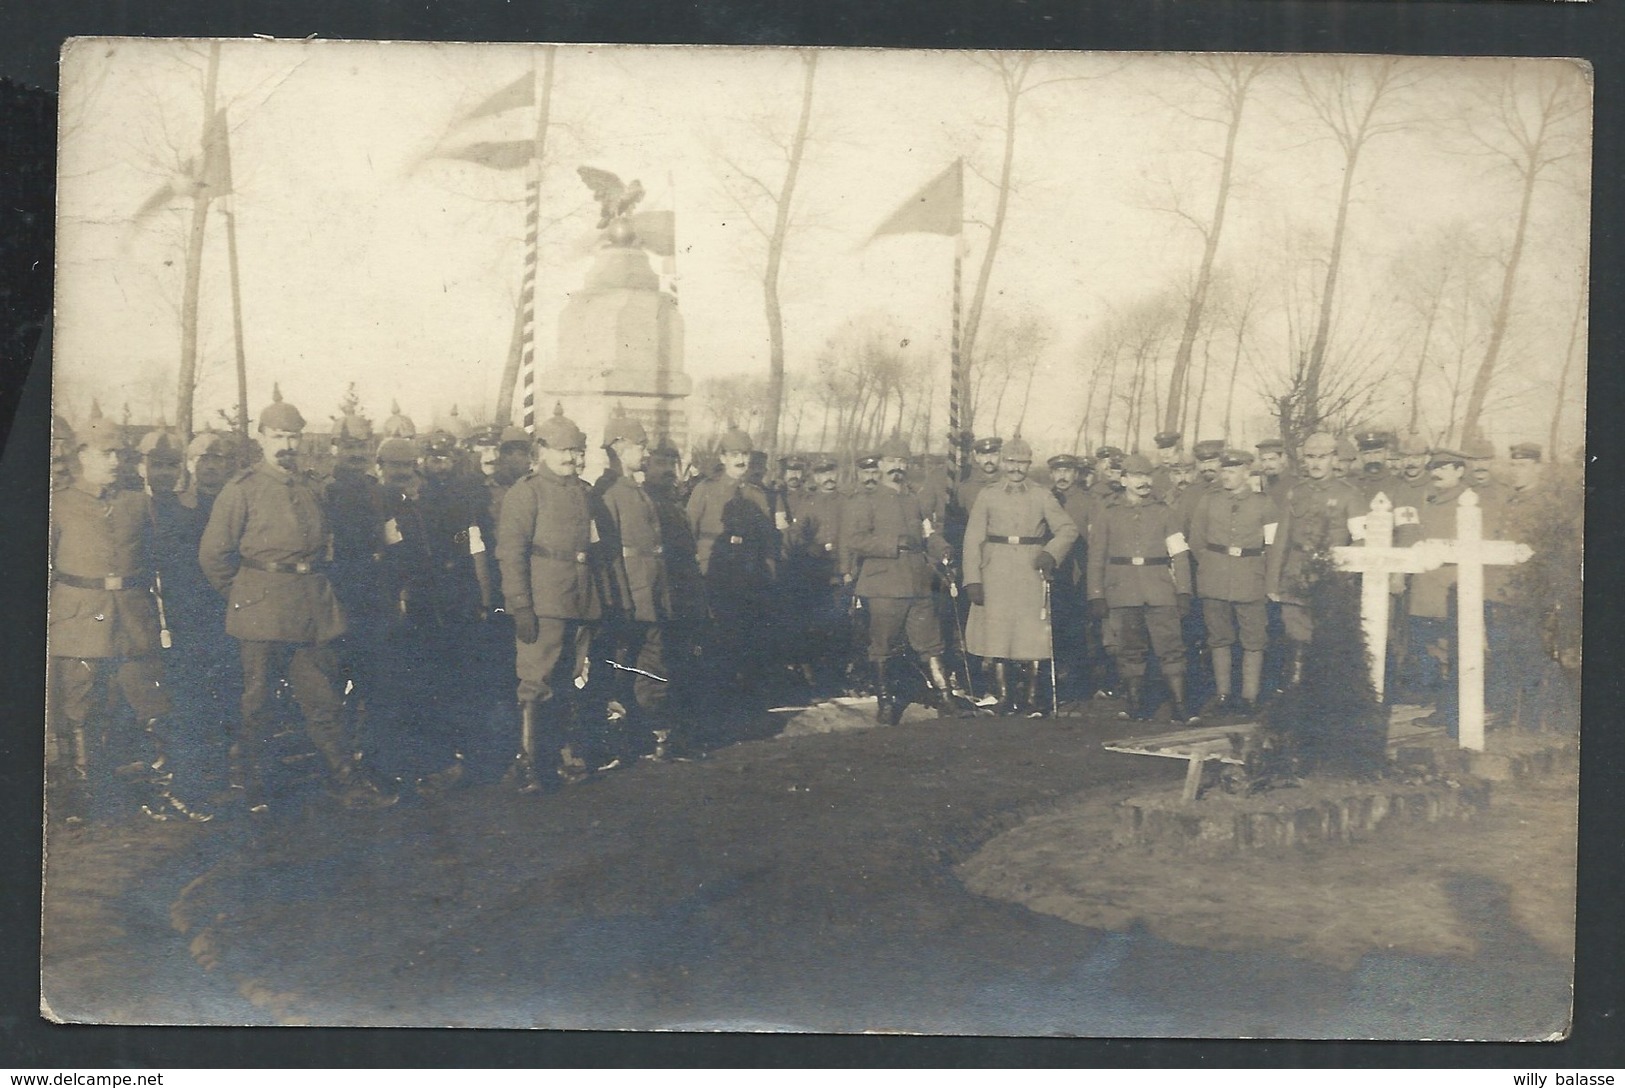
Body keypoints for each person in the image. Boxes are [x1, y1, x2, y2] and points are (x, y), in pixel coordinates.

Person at [198, 389, 396, 812]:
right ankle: (253, 785)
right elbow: (214, 555)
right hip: (261, 611)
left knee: (323, 698)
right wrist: (245, 596)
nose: (287, 446)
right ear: (262, 438)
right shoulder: (242, 490)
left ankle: (343, 780)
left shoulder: (309, 487)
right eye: (278, 437)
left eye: (293, 438)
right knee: (259, 702)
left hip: (311, 610)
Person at [49, 419, 209, 824]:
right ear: (82, 455)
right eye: (107, 453)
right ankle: (86, 798)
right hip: (78, 623)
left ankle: (161, 793)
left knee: (153, 705)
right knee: (81, 712)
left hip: (135, 622)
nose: (116, 461)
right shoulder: (58, 504)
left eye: (120, 453)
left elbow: (161, 563)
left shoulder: (139, 503)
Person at [496, 407, 606, 788]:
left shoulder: (583, 493)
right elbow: (511, 554)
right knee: (535, 681)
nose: (572, 458)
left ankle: (559, 755)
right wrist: (521, 605)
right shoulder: (526, 493)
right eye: (563, 451)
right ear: (541, 450)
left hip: (579, 598)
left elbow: (594, 549)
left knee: (570, 678)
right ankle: (529, 763)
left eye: (578, 451)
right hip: (544, 601)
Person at [843, 436, 960, 723]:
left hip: (918, 581)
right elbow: (855, 540)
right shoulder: (865, 501)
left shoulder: (914, 501)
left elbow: (927, 533)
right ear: (880, 465)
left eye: (902, 462)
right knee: (881, 646)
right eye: (891, 462)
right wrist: (894, 542)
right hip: (883, 583)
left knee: (930, 643)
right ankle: (885, 704)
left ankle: (945, 698)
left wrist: (942, 548)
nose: (897, 467)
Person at [962, 437, 1079, 716]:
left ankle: (1029, 698)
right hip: (995, 570)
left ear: (1029, 464)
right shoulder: (987, 495)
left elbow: (1068, 529)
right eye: (1010, 462)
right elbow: (972, 538)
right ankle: (1003, 696)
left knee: (1031, 634)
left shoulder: (1042, 495)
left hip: (1029, 569)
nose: (1015, 468)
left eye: (1022, 463)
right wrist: (972, 579)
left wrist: (1050, 553)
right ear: (1002, 463)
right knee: (998, 633)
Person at [1087, 453, 1194, 723]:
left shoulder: (1164, 512)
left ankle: (1180, 706)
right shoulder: (1107, 513)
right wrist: (1096, 594)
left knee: (1171, 646)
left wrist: (1183, 591)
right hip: (1122, 589)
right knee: (1129, 649)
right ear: (1123, 480)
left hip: (1159, 589)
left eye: (1147, 476)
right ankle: (1134, 706)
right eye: (1136, 476)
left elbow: (1179, 554)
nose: (1143, 482)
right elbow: (1096, 556)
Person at [595, 413, 671, 759]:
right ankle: (624, 736)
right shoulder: (608, 492)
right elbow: (608, 552)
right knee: (624, 664)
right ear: (619, 447)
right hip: (629, 593)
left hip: (650, 590)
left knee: (650, 661)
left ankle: (650, 733)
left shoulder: (637, 489)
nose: (645, 452)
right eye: (640, 445)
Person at [1265, 431, 1367, 688]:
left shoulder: (1349, 495)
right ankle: (1298, 690)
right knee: (1295, 637)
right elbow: (1282, 539)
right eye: (1310, 457)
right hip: (1295, 573)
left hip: (1331, 576)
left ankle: (1324, 695)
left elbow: (1360, 540)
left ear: (1334, 458)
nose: (1316, 463)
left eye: (1322, 457)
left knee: (1327, 639)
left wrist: (1343, 577)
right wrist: (1272, 582)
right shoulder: (1294, 493)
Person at [687, 428, 778, 694]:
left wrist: (768, 578)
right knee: (715, 644)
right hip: (713, 578)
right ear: (723, 457)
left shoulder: (757, 494)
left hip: (748, 581)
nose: (741, 460)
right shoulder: (705, 490)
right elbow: (687, 534)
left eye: (745, 454)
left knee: (745, 644)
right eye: (735, 454)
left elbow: (767, 544)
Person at [1189, 449, 1279, 715]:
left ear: (1246, 472)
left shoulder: (1264, 504)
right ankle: (1223, 695)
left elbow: (1273, 546)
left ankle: (1249, 697)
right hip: (1214, 577)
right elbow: (1196, 540)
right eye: (1224, 470)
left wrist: (1265, 576)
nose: (1225, 476)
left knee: (1254, 639)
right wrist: (1209, 564)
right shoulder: (1209, 500)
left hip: (1251, 578)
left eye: (1232, 471)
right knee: (1219, 638)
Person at [1046, 452, 1093, 700]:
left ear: (1076, 474)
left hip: (1079, 573)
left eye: (1067, 471)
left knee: (1077, 629)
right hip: (1053, 574)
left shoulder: (1088, 502)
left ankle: (1079, 685)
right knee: (1054, 629)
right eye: (1057, 471)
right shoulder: (1045, 498)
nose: (1062, 476)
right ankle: (1056, 683)